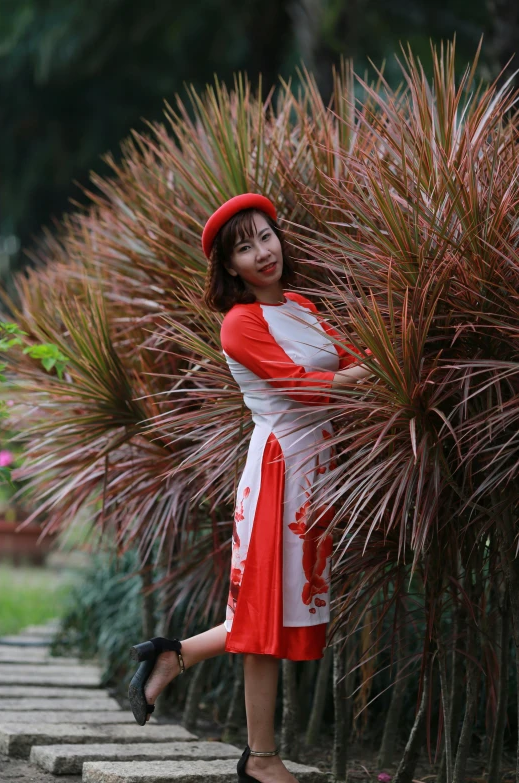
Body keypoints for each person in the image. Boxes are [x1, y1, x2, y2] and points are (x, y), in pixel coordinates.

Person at [128, 193, 374, 783]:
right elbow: (309, 389)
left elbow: (352, 361)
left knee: (284, 608)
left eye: (266, 236)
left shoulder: (301, 305)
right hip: (277, 478)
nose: (263, 252)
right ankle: (260, 758)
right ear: (229, 267)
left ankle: (175, 654)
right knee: (264, 613)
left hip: (318, 475)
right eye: (244, 247)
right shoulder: (239, 324)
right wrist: (376, 368)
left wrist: (367, 367)